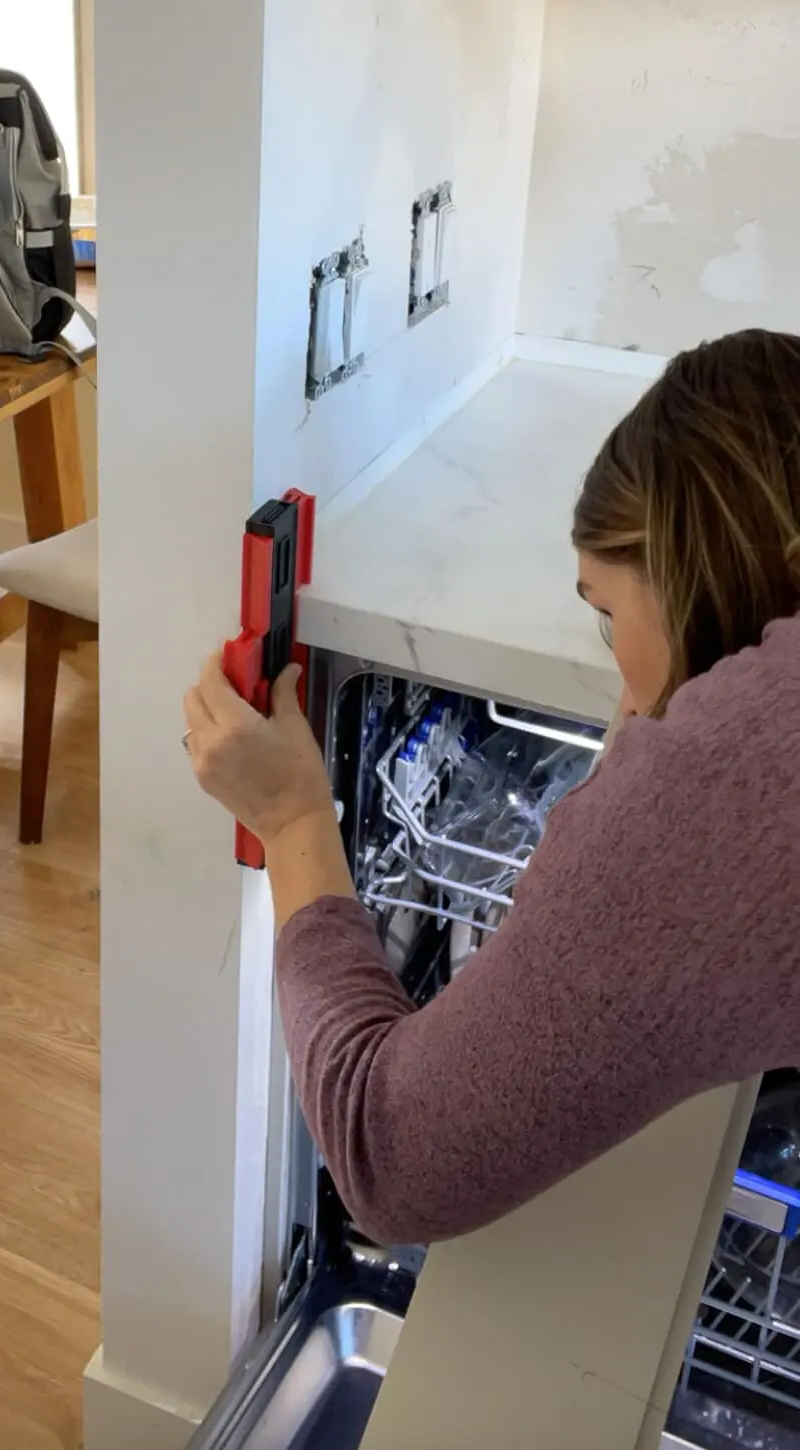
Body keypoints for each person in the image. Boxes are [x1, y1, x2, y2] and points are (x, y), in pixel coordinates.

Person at [182, 328, 800, 1246]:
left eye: (604, 615)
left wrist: (291, 817)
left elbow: (391, 1166)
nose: (625, 706)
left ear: (691, 569)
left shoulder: (735, 790)